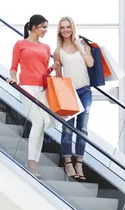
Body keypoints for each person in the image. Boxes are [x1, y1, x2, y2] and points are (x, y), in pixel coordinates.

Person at [7, 14, 52, 178]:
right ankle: (32, 163)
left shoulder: (46, 48)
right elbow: (13, 66)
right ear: (33, 27)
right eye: (43, 27)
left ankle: (34, 162)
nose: (46, 30)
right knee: (38, 121)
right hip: (26, 87)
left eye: (46, 27)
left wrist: (53, 68)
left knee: (42, 126)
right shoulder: (20, 44)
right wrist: (13, 77)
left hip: (41, 90)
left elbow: (44, 70)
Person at [53, 17, 94, 181]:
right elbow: (59, 77)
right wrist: (56, 69)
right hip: (68, 91)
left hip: (84, 91)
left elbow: (90, 63)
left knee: (82, 129)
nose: (65, 30)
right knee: (67, 128)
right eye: (62, 27)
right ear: (59, 30)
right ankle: (68, 162)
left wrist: (79, 47)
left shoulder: (82, 45)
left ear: (72, 28)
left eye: (68, 26)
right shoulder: (58, 51)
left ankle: (79, 163)